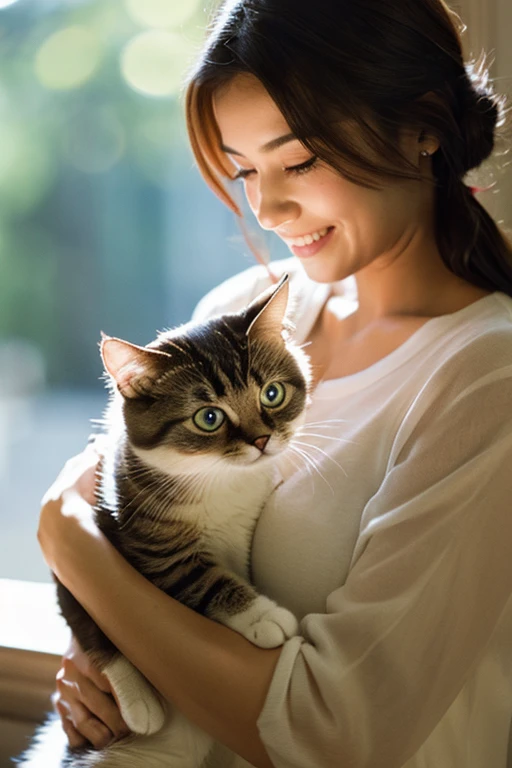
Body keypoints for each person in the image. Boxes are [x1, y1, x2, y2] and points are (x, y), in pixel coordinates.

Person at [37, 0, 512, 766]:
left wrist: (65, 539)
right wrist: (94, 659)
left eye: (299, 161)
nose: (266, 207)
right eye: (243, 169)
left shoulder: (487, 378)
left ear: (424, 128)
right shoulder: (237, 313)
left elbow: (336, 733)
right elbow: (135, 537)